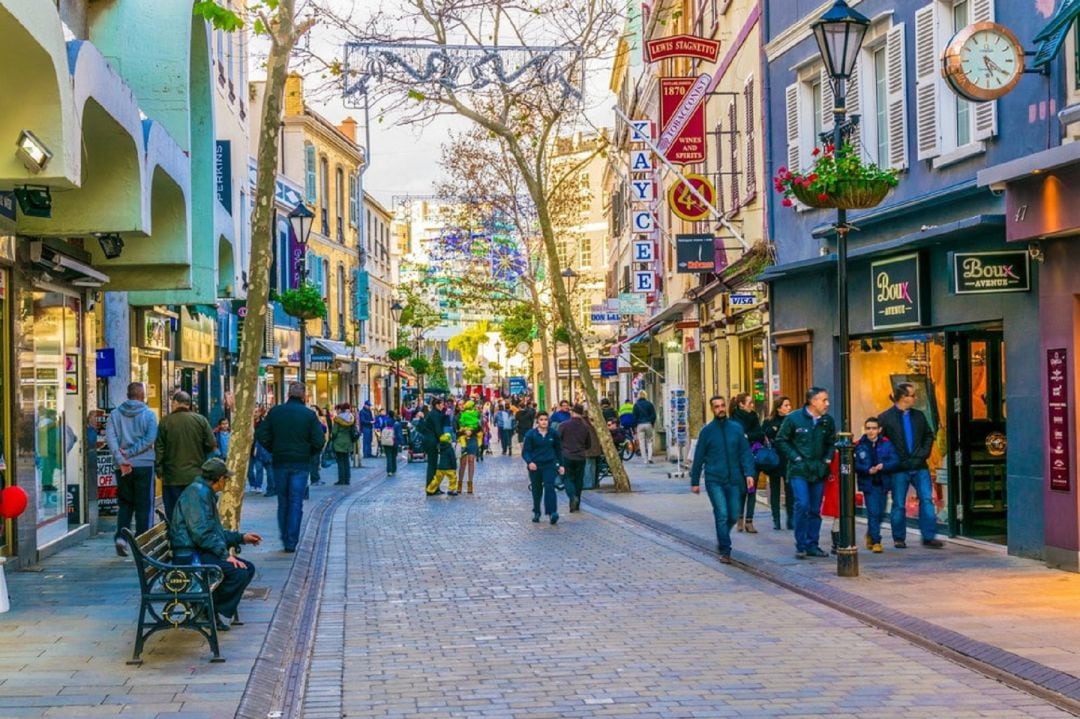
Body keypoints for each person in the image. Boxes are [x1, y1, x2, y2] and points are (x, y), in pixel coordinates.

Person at [169, 458, 261, 630]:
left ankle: (210, 608)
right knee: (238, 573)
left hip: (199, 549)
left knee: (247, 569)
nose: (226, 482)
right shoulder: (197, 494)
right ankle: (209, 608)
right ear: (218, 479)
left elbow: (213, 532)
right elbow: (202, 533)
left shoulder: (204, 492)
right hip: (190, 555)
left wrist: (241, 538)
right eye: (225, 478)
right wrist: (225, 556)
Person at [256, 382, 325, 553]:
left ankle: (285, 537)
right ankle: (291, 540)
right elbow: (319, 440)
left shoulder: (276, 412)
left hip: (280, 462)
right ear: (303, 396)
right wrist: (309, 453)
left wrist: (274, 448)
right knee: (296, 502)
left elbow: (261, 434)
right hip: (300, 463)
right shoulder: (309, 415)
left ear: (288, 394)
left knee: (283, 501)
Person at [689, 396, 756, 564]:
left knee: (733, 514)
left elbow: (745, 452)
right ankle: (725, 549)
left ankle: (722, 535)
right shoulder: (707, 431)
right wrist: (695, 481)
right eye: (716, 406)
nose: (720, 409)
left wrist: (749, 474)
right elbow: (699, 457)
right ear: (712, 409)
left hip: (734, 478)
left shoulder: (736, 428)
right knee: (722, 513)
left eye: (722, 405)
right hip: (714, 479)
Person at [878, 382, 944, 549]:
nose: (915, 398)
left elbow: (929, 435)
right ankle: (899, 538)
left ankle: (929, 536)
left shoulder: (919, 416)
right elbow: (881, 444)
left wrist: (923, 453)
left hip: (920, 465)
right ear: (902, 397)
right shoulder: (885, 418)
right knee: (899, 503)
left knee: (927, 500)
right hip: (898, 468)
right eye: (912, 395)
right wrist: (892, 460)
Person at [774, 387, 837, 559]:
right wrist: (795, 457)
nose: (827, 404)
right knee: (802, 504)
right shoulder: (794, 418)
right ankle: (800, 544)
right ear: (813, 401)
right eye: (824, 400)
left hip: (818, 470)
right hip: (799, 470)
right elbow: (781, 440)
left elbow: (832, 442)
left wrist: (827, 459)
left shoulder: (827, 421)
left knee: (815, 509)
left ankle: (812, 544)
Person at [105, 382, 158, 556]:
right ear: (142, 396)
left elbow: (111, 440)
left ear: (127, 395)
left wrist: (122, 458)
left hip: (122, 467)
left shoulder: (114, 415)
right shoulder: (149, 415)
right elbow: (150, 439)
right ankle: (142, 542)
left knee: (125, 503)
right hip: (144, 464)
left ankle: (121, 537)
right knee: (144, 505)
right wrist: (132, 452)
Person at [156, 391, 217, 522]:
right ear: (189, 405)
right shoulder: (201, 420)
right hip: (196, 475)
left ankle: (177, 538)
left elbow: (159, 448)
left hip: (172, 477)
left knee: (174, 513)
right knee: (195, 512)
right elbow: (212, 444)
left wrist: (159, 469)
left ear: (175, 403)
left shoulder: (165, 422)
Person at [854, 416, 901, 553]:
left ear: (879, 430)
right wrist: (867, 469)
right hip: (869, 484)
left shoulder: (886, 444)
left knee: (880, 512)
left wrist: (883, 466)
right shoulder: (859, 445)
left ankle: (870, 533)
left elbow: (895, 460)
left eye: (874, 428)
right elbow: (855, 464)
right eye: (868, 428)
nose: (871, 431)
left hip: (883, 483)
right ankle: (876, 541)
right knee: (873, 512)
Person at [730, 393, 765, 534]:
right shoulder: (733, 419)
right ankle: (739, 518)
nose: (752, 405)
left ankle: (749, 521)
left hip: (753, 456)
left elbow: (760, 434)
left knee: (752, 490)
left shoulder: (754, 417)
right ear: (741, 405)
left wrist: (748, 436)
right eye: (749, 402)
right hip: (738, 458)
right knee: (741, 490)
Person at [522, 412, 565, 524]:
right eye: (541, 419)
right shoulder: (531, 434)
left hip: (549, 465)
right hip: (535, 466)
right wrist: (529, 462)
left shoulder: (553, 434)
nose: (544, 422)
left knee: (549, 487)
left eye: (546, 419)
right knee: (537, 489)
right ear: (537, 421)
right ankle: (537, 511)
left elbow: (558, 450)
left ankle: (552, 512)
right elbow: (526, 451)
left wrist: (561, 465)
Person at [762, 396, 795, 531]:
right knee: (775, 490)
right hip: (774, 459)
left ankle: (790, 518)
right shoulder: (769, 421)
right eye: (786, 405)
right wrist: (774, 429)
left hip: (788, 458)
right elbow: (764, 433)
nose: (789, 408)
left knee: (790, 490)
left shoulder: (792, 421)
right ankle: (776, 518)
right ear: (778, 408)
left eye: (789, 405)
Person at [558, 404, 592, 512]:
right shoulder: (585, 426)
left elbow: (558, 440)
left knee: (567, 478)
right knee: (578, 480)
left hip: (567, 455)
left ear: (572, 412)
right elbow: (588, 444)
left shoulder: (564, 425)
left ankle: (572, 497)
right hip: (580, 456)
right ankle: (576, 504)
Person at [422, 398, 449, 491]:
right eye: (442, 404)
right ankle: (430, 487)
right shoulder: (435, 414)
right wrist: (444, 440)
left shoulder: (435, 413)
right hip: (431, 442)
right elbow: (438, 430)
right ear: (437, 405)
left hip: (431, 441)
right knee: (432, 465)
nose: (443, 406)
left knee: (433, 465)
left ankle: (433, 487)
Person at [329, 403, 358, 485]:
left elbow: (334, 432)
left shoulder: (338, 419)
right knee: (346, 461)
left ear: (341, 409)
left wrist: (332, 437)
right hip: (348, 441)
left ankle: (341, 480)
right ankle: (347, 479)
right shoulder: (351, 418)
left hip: (339, 442)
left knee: (340, 462)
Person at [456, 401, 481, 493]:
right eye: (460, 404)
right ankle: (460, 483)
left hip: (473, 439)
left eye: (463, 404)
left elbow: (479, 428)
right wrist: (464, 432)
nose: (462, 406)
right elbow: (455, 431)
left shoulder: (476, 415)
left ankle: (470, 483)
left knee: (471, 460)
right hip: (463, 439)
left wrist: (472, 431)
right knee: (463, 462)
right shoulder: (458, 416)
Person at [632, 391, 657, 464]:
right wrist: (652, 423)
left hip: (640, 425)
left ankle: (644, 459)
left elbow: (634, 417)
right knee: (649, 441)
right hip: (648, 424)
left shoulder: (636, 405)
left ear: (639, 396)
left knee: (641, 442)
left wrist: (635, 426)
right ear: (646, 396)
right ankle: (649, 458)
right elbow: (654, 415)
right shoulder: (650, 404)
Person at [381, 409, 404, 477]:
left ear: (388, 415)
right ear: (394, 415)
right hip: (394, 441)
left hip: (386, 441)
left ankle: (389, 471)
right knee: (394, 456)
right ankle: (393, 469)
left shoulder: (385, 422)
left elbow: (382, 430)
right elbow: (399, 434)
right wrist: (402, 442)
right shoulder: (397, 423)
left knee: (388, 456)